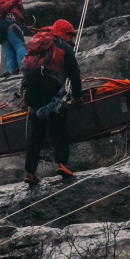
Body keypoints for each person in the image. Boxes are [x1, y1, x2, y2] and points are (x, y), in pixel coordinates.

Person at [20, 19, 83, 185]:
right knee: (58, 128)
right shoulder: (64, 47)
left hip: (32, 94)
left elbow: (26, 72)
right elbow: (75, 74)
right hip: (52, 94)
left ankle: (29, 172)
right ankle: (62, 164)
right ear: (65, 32)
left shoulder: (38, 44)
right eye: (71, 34)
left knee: (36, 134)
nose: (72, 39)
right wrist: (78, 96)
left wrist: (24, 95)